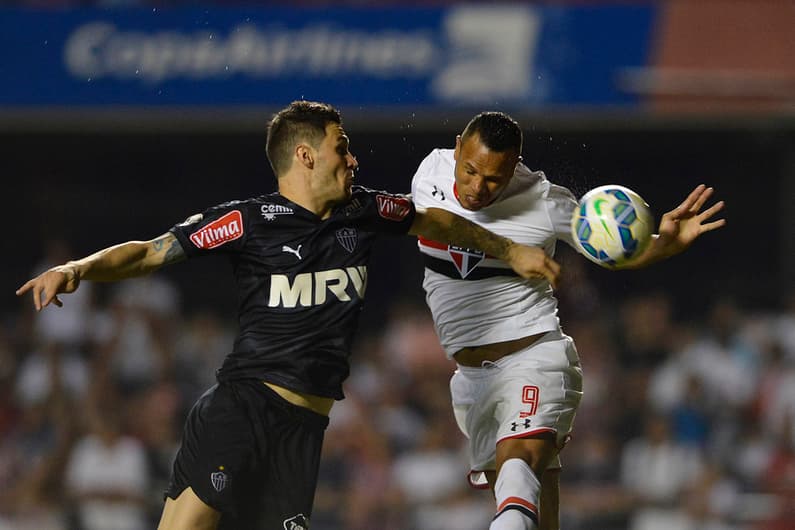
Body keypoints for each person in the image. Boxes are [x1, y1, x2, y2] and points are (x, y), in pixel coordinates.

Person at [16, 101, 560, 530]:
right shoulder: (246, 222)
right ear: (305, 156)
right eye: (341, 148)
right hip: (244, 407)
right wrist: (77, 268)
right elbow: (151, 251)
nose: (353, 159)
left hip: (305, 428)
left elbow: (437, 223)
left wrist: (510, 252)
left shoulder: (365, 211)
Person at [410, 111, 726, 530]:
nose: (477, 187)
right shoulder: (430, 170)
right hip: (470, 379)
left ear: (515, 166)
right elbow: (433, 221)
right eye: (470, 171)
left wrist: (661, 245)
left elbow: (610, 250)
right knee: (537, 512)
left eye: (494, 180)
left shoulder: (544, 201)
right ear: (457, 148)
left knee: (517, 467)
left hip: (533, 356)